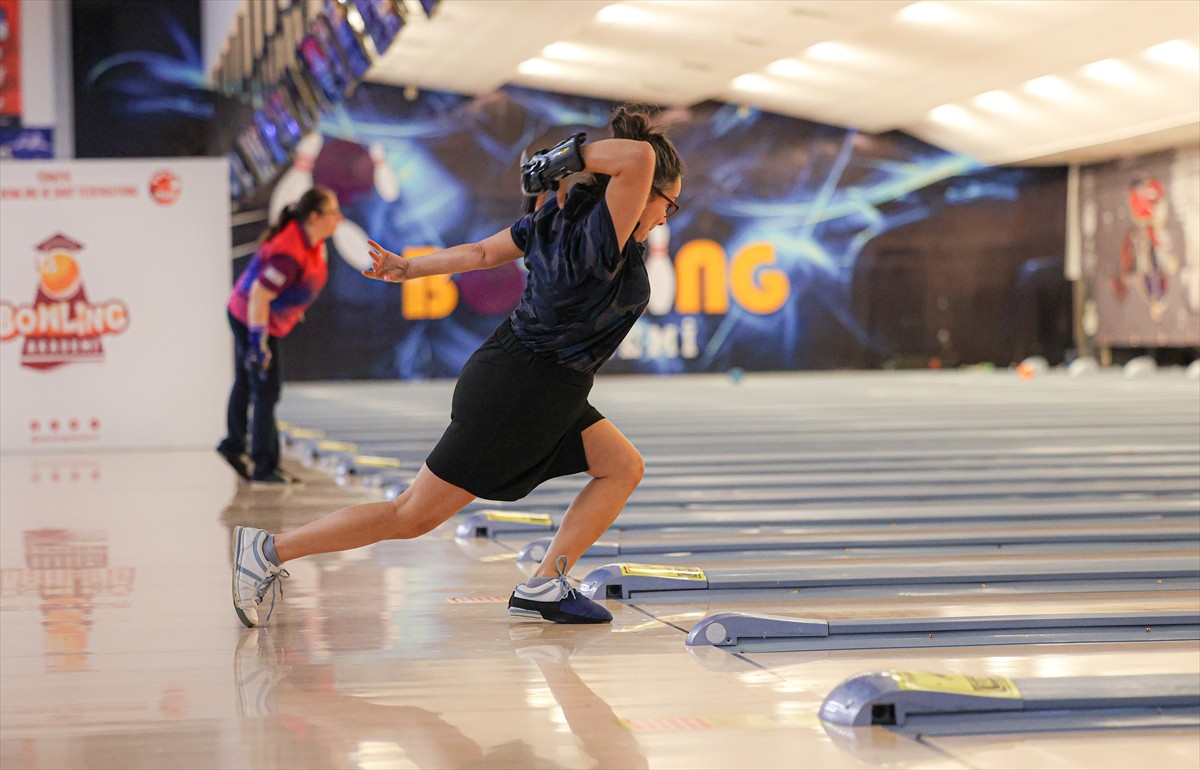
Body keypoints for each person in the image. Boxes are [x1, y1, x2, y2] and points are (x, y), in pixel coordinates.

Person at [232, 106, 684, 627]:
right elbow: (639, 157)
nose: (665, 217)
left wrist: (411, 267)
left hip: (541, 385)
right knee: (410, 515)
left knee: (622, 467)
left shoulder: (560, 220)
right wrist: (562, 161)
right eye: (668, 204)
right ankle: (268, 550)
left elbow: (481, 253)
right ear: (641, 192)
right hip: (521, 390)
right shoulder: (599, 237)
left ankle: (545, 583)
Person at [217, 186, 343, 484]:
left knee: (250, 383)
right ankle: (264, 466)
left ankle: (233, 446)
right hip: (252, 318)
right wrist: (258, 344)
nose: (339, 218)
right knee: (266, 390)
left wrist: (294, 306)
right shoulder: (289, 252)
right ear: (314, 217)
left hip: (259, 316)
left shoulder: (312, 242)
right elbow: (259, 295)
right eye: (333, 212)